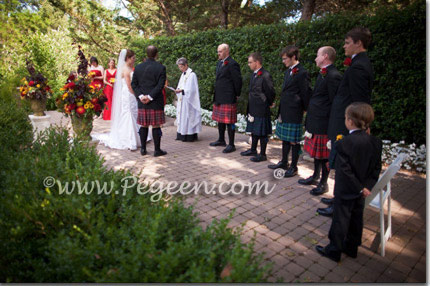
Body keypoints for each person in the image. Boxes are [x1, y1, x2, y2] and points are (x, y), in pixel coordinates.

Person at [318, 27, 374, 217]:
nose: (344, 46)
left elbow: (360, 101)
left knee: (344, 166)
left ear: (358, 43)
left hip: (347, 125)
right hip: (343, 122)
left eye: (347, 42)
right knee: (340, 165)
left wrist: (360, 127)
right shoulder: (357, 64)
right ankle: (336, 198)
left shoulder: (359, 66)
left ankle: (339, 205)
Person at [315, 102, 382, 262]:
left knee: (340, 219)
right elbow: (376, 168)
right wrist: (366, 187)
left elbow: (344, 170)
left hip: (346, 189)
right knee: (356, 218)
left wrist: (359, 188)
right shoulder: (375, 142)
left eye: (345, 117)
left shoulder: (344, 143)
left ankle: (334, 249)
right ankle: (352, 247)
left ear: (350, 121)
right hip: (362, 191)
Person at [300, 46, 342, 195]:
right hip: (315, 119)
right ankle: (315, 176)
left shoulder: (333, 75)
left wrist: (331, 123)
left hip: (323, 122)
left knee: (324, 154)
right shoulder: (323, 74)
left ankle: (324, 183)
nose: (316, 58)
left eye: (318, 55)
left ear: (325, 56)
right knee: (316, 154)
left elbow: (335, 102)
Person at [268, 46, 312, 177]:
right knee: (285, 139)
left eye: (285, 58)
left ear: (294, 57)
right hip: (285, 109)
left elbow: (306, 93)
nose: (283, 61)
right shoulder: (289, 71)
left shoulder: (303, 72)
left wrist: (305, 108)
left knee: (294, 141)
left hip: (295, 110)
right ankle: (284, 162)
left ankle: (294, 167)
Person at [93, 49, 145, 150]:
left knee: (132, 113)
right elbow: (129, 86)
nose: (134, 60)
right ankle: (129, 138)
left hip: (127, 92)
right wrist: (138, 95)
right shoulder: (125, 69)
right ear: (128, 58)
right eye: (133, 58)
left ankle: (135, 136)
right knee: (129, 113)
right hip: (129, 93)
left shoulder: (125, 68)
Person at [132, 45, 167, 157]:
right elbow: (161, 85)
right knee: (156, 125)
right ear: (156, 54)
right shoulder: (161, 67)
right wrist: (150, 96)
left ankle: (143, 149)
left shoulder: (138, 67)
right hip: (155, 101)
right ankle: (157, 150)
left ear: (146, 54)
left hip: (142, 102)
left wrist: (142, 96)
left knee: (144, 125)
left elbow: (134, 84)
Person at [241, 52, 275, 162]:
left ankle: (263, 154)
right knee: (254, 130)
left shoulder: (265, 75)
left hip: (261, 107)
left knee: (262, 132)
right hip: (253, 107)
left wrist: (268, 103)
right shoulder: (254, 74)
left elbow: (270, 92)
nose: (249, 64)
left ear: (257, 62)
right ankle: (253, 150)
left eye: (250, 62)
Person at [210, 43, 242, 153]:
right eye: (218, 51)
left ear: (226, 51)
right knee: (220, 121)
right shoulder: (220, 63)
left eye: (220, 51)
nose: (218, 53)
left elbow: (237, 81)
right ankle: (221, 139)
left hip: (228, 97)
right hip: (219, 96)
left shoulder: (233, 64)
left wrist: (236, 95)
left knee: (229, 122)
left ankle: (231, 144)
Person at [174, 57, 202, 142]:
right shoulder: (183, 74)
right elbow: (181, 85)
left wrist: (182, 91)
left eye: (181, 67)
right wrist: (177, 89)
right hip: (182, 99)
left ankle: (189, 135)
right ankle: (181, 134)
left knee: (188, 117)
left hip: (188, 101)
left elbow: (193, 89)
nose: (180, 69)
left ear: (186, 65)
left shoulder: (192, 75)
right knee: (182, 117)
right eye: (179, 67)